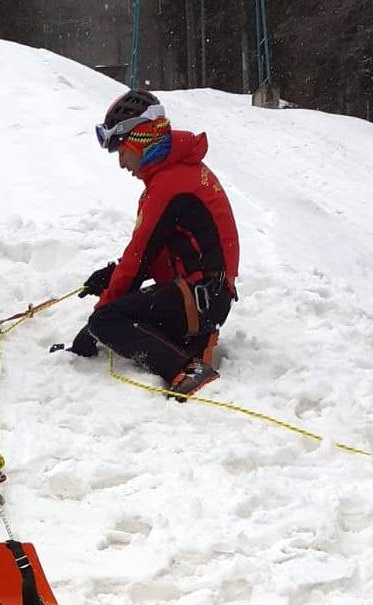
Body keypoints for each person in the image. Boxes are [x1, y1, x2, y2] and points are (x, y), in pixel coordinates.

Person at [70, 89, 239, 399]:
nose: (122, 163)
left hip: (200, 298)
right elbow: (155, 255)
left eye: (121, 151)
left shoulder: (168, 185)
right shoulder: (177, 173)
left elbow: (138, 259)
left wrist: (95, 325)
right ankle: (192, 341)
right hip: (207, 296)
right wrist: (112, 276)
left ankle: (186, 369)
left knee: (106, 320)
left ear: (139, 140)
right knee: (118, 312)